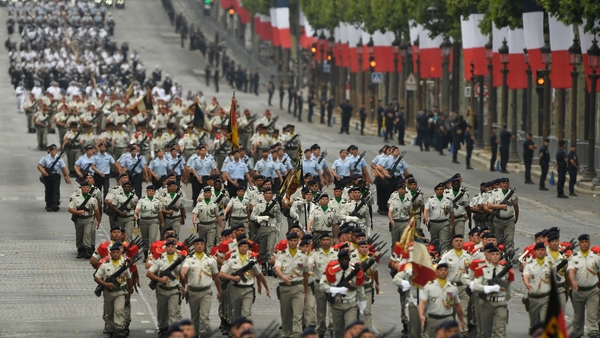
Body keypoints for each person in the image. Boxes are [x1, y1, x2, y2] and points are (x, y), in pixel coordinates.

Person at [180, 237, 221, 337]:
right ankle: (195, 334)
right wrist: (183, 273)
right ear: (194, 246)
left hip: (206, 292)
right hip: (193, 292)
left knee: (204, 316)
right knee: (194, 317)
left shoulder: (211, 260)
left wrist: (220, 291)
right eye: (197, 244)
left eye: (201, 244)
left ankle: (203, 334)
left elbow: (216, 276)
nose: (199, 246)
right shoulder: (189, 259)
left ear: (204, 245)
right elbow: (184, 269)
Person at [220, 239, 270, 321]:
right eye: (241, 246)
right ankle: (237, 331)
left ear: (248, 248)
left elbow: (259, 274)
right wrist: (233, 278)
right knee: (235, 313)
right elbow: (221, 274)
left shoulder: (252, 260)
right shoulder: (232, 259)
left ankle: (247, 331)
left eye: (245, 246)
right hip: (235, 289)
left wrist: (265, 287)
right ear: (238, 248)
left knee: (247, 312)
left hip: (248, 289)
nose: (243, 248)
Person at [93, 241, 133, 338]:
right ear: (110, 254)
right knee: (109, 312)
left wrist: (129, 291)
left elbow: (129, 278)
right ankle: (110, 329)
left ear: (120, 253)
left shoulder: (124, 264)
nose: (115, 254)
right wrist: (105, 284)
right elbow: (96, 277)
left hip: (120, 292)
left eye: (117, 252)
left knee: (119, 310)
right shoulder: (105, 264)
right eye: (113, 252)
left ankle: (119, 329)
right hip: (108, 293)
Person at [274, 232, 309, 338]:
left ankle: (297, 335)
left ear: (298, 241)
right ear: (288, 241)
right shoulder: (281, 255)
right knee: (286, 316)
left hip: (298, 287)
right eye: (291, 241)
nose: (293, 243)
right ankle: (287, 334)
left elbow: (306, 274)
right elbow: (277, 269)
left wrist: (305, 291)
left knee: (297, 315)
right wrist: (283, 277)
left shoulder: (303, 256)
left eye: (295, 241)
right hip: (285, 288)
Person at [147, 239, 184, 337]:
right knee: (162, 311)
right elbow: (149, 273)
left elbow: (182, 274)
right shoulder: (160, 260)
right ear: (166, 248)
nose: (171, 248)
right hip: (162, 290)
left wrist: (184, 287)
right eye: (169, 246)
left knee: (173, 312)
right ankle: (162, 328)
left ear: (175, 248)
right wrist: (159, 279)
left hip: (174, 289)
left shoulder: (179, 260)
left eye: (172, 246)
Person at [418, 263, 465, 338]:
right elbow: (422, 303)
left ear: (448, 272)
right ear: (436, 272)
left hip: (447, 318)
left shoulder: (452, 287)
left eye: (445, 270)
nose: (443, 272)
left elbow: (457, 305)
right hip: (433, 319)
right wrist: (421, 315)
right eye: (440, 270)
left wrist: (462, 320)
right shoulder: (429, 286)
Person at [568, 234, 600, 338]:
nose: (584, 244)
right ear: (579, 244)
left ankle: (593, 332)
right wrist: (572, 281)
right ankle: (577, 331)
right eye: (582, 242)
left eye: (586, 242)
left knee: (592, 314)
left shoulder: (596, 258)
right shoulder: (574, 258)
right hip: (578, 291)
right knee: (578, 315)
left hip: (592, 291)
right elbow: (571, 271)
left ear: (589, 243)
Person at [68, 181, 102, 258]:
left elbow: (96, 210)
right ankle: (80, 249)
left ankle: (87, 249)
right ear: (81, 188)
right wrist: (77, 212)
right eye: (84, 187)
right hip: (79, 219)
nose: (85, 189)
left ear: (89, 188)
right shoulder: (76, 197)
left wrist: (98, 220)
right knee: (79, 235)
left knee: (87, 233)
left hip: (89, 219)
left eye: (87, 187)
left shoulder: (93, 199)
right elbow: (70, 209)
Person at [522, 242, 551, 328]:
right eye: (538, 250)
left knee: (544, 321)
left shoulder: (551, 264)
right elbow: (526, 276)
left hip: (546, 297)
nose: (541, 252)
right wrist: (527, 284)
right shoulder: (530, 265)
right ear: (534, 252)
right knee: (534, 323)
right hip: (533, 297)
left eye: (542, 250)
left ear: (545, 251)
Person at [487, 177, 519, 252]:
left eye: (506, 183)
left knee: (509, 239)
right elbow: (489, 205)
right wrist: (500, 206)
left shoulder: (513, 194)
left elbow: (516, 207)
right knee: (499, 239)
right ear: (500, 184)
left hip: (509, 220)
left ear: (509, 184)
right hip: (498, 220)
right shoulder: (495, 193)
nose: (505, 185)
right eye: (503, 183)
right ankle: (499, 254)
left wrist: (516, 217)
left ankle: (509, 254)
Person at [38, 144, 72, 211]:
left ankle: (55, 203)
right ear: (50, 151)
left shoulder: (59, 159)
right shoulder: (45, 158)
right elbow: (39, 165)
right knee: (48, 190)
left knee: (56, 189)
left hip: (56, 176)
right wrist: (43, 172)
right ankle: (49, 204)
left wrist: (66, 176)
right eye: (52, 150)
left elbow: (63, 168)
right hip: (48, 176)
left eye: (55, 150)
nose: (54, 152)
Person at [424, 183, 455, 253]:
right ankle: (434, 255)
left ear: (443, 190)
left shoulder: (448, 200)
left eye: (441, 189)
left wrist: (452, 224)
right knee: (434, 241)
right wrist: (426, 218)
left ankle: (443, 257)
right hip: (433, 223)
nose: (439, 191)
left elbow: (452, 213)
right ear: (435, 191)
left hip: (444, 223)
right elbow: (426, 209)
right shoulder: (431, 199)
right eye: (437, 189)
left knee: (443, 242)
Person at [134, 185, 164, 257]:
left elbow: (160, 212)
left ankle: (152, 254)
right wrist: (135, 214)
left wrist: (162, 222)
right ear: (146, 191)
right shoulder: (142, 200)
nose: (151, 192)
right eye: (149, 191)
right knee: (145, 238)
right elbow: (137, 209)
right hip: (144, 221)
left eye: (152, 191)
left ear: (154, 192)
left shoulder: (157, 201)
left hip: (153, 220)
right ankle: (145, 253)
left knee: (152, 238)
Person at [192, 187, 223, 252]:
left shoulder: (214, 205)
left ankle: (209, 256)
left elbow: (218, 216)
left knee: (210, 243)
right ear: (204, 194)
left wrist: (221, 226)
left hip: (211, 225)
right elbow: (195, 213)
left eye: (209, 192)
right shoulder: (199, 204)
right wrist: (194, 220)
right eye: (206, 193)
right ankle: (203, 255)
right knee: (202, 242)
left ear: (211, 194)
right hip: (202, 225)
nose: (207, 194)